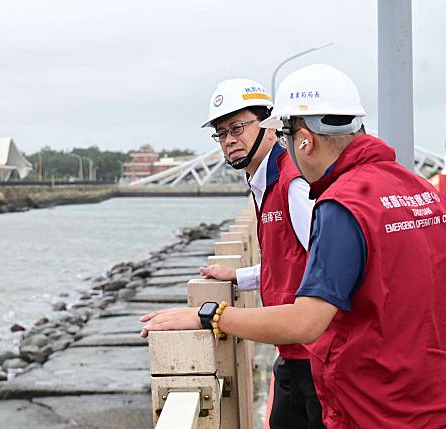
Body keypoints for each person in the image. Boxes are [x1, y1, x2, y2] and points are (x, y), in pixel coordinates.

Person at [140, 64, 446, 428]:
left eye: (285, 138)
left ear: (304, 140)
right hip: (428, 397)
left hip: (373, 403)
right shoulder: (421, 190)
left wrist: (210, 316)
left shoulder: (341, 204)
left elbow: (306, 321)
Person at [198, 78, 321, 428]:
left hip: (316, 353)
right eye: (221, 133)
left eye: (238, 126)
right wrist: (239, 276)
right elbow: (289, 261)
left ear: (268, 126)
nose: (229, 139)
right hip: (292, 348)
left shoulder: (293, 183)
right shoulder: (265, 182)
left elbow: (326, 263)